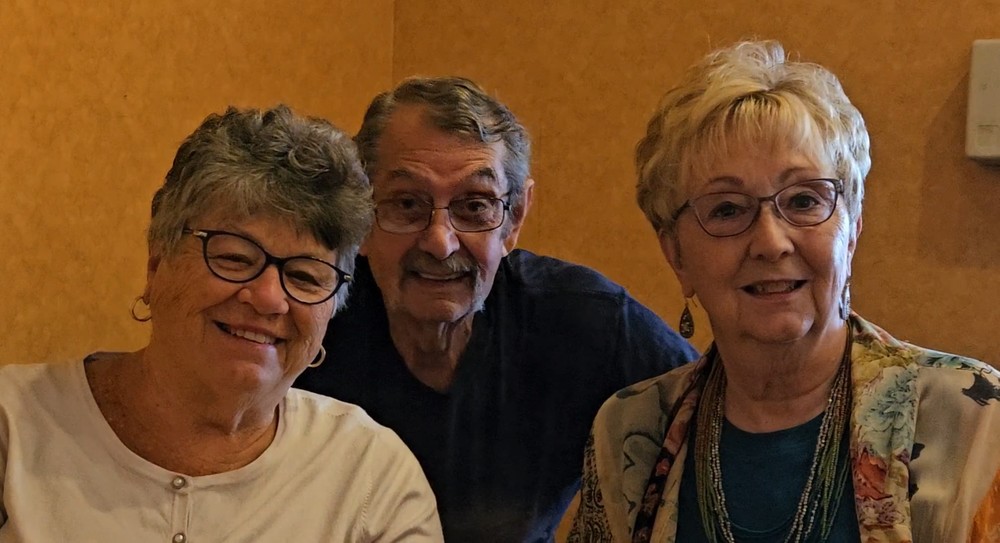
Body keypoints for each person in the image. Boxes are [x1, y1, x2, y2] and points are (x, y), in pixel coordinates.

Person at [568, 40, 1000, 543]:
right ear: (676, 254)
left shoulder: (974, 420)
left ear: (852, 231)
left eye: (803, 200)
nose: (772, 242)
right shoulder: (629, 433)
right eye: (727, 209)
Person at [0, 105, 443, 541]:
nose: (270, 298)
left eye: (305, 276)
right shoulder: (13, 425)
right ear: (157, 264)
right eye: (234, 257)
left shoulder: (371, 478)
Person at [293, 77, 698, 542]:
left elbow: (706, 407)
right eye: (407, 203)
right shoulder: (312, 311)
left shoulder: (583, 322)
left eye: (474, 205)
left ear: (515, 218)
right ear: (361, 214)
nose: (440, 243)